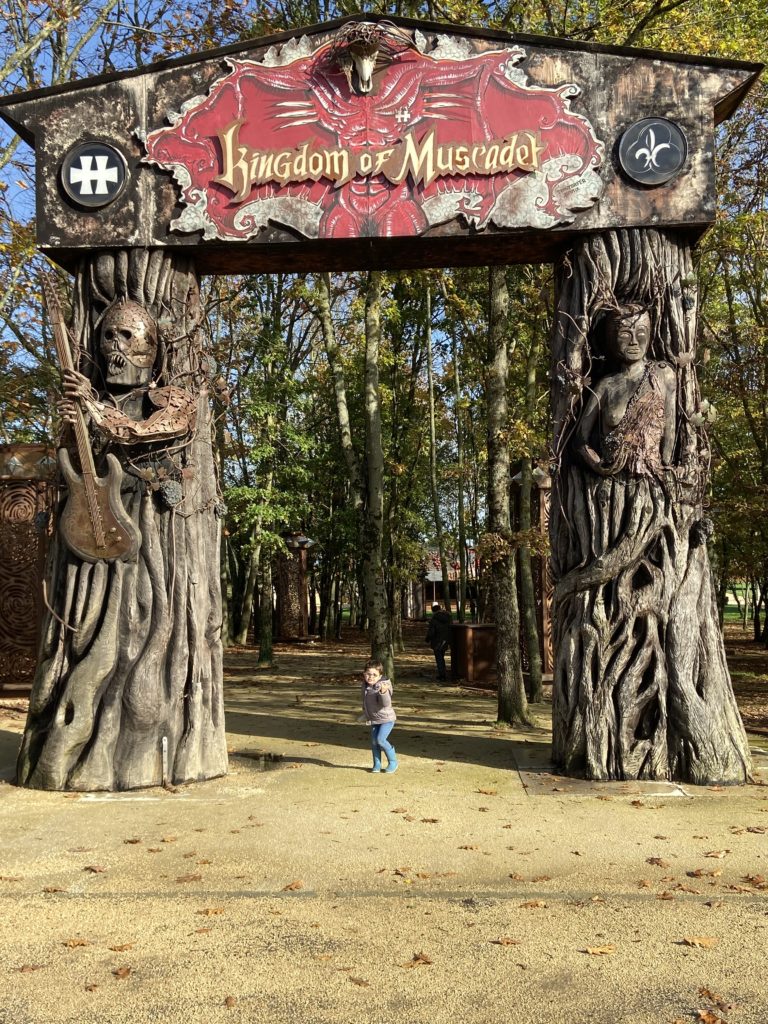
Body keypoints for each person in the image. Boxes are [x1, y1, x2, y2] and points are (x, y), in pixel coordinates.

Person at [573, 305, 676, 479]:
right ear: (612, 339)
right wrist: (597, 464)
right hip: (609, 483)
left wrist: (665, 465)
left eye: (641, 332)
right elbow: (580, 439)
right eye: (625, 334)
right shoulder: (607, 384)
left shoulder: (663, 374)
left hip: (649, 481)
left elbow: (669, 429)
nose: (634, 341)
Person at [361, 658, 397, 774]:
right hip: (374, 719)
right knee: (374, 742)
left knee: (380, 740)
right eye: (368, 674)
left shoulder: (383, 686)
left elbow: (385, 703)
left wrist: (383, 692)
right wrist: (365, 714)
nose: (371, 677)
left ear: (380, 675)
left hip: (386, 719)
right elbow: (366, 702)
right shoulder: (365, 686)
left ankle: (393, 762)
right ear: (364, 674)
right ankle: (377, 764)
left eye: (374, 675)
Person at [425, 602, 452, 681]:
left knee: (439, 658)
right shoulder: (448, 617)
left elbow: (431, 632)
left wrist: (427, 639)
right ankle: (442, 674)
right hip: (445, 640)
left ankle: (442, 675)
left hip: (437, 641)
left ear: (433, 611)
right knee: (442, 657)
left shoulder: (434, 619)